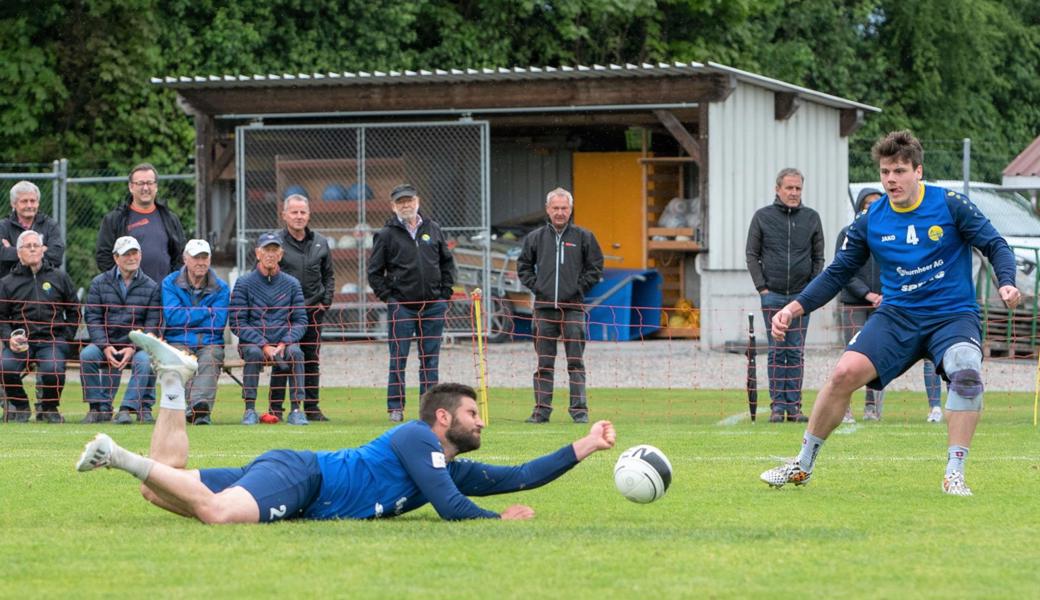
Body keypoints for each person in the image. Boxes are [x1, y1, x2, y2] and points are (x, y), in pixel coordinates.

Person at [76, 332, 617, 523]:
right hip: (301, 476)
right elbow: (453, 509)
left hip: (291, 477)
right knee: (217, 515)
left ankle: (173, 380)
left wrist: (588, 444)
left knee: (158, 486)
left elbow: (519, 475)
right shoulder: (415, 438)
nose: (482, 422)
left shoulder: (446, 464)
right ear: (444, 419)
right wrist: (500, 520)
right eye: (474, 414)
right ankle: (116, 454)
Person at [760, 130, 1020, 496]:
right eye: (885, 172)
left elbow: (995, 244)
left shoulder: (950, 205)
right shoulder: (871, 218)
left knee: (966, 369)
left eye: (899, 171)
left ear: (918, 171)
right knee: (842, 374)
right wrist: (794, 307)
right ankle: (802, 464)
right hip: (897, 316)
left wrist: (1005, 281)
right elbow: (838, 272)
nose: (891, 180)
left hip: (951, 315)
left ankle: (955, 472)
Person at [837, 188, 943, 424]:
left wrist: (888, 295)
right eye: (867, 204)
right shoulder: (849, 233)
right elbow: (842, 270)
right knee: (852, 357)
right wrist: (867, 294)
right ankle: (844, 408)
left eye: (877, 202)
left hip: (888, 304)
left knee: (875, 358)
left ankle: (872, 408)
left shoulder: (893, 231)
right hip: (855, 303)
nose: (871, 207)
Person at [368, 184, 456, 423]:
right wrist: (390, 298)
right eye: (400, 201)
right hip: (402, 307)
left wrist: (444, 295)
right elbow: (374, 272)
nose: (405, 204)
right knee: (398, 359)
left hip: (433, 306)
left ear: (417, 201)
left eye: (409, 200)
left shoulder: (433, 229)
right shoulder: (386, 234)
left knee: (430, 360)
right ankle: (395, 407)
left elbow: (447, 264)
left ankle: (429, 410)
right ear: (393, 205)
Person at [517, 187, 604, 424]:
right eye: (555, 208)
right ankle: (541, 411)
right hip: (544, 310)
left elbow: (595, 268)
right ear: (547, 209)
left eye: (564, 208)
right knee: (544, 363)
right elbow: (523, 266)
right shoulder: (535, 238)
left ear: (571, 209)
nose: (559, 212)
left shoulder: (584, 237)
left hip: (573, 309)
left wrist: (577, 289)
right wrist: (538, 287)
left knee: (575, 363)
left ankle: (579, 411)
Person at [745, 168, 825, 423]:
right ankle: (778, 406)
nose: (793, 193)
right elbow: (752, 254)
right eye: (789, 188)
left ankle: (795, 406)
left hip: (800, 299)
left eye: (798, 188)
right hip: (773, 296)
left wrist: (810, 292)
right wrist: (762, 288)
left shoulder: (812, 218)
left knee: (796, 351)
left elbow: (818, 258)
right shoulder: (762, 217)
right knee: (777, 351)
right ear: (777, 189)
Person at [80, 236, 162, 424]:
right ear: (116, 258)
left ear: (140, 255)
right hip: (105, 344)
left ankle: (126, 408)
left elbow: (152, 324)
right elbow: (93, 318)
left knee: (145, 360)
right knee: (87, 356)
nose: (132, 258)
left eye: (135, 253)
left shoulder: (151, 287)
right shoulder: (99, 283)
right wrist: (105, 346)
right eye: (126, 254)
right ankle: (98, 408)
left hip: (137, 347)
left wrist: (133, 347)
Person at [229, 232, 308, 425]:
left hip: (283, 343)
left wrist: (285, 342)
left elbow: (301, 320)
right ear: (257, 253)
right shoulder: (243, 283)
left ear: (281, 255)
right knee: (254, 353)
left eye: (274, 250)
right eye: (266, 250)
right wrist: (264, 345)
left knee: (296, 352)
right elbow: (237, 322)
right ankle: (249, 410)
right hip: (253, 343)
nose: (270, 254)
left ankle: (297, 410)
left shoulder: (292, 284)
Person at [0, 230, 78, 423]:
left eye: (37, 245)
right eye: (28, 246)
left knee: (53, 369)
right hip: (22, 342)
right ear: (19, 253)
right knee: (5, 366)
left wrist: (65, 338)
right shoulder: (7, 283)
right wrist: (9, 338)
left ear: (43, 250)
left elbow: (75, 311)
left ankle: (49, 407)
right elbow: (1, 317)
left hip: (52, 341)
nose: (33, 249)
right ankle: (20, 405)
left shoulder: (60, 278)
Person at [270, 194, 334, 422]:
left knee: (311, 359)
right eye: (294, 212)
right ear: (284, 214)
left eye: (303, 212)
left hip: (313, 311)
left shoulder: (320, 242)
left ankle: (312, 407)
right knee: (282, 357)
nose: (299, 216)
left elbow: (329, 276)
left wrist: (324, 303)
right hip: (283, 314)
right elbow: (262, 273)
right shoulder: (274, 243)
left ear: (309, 214)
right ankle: (275, 408)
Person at [162, 239, 230, 425]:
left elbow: (218, 323)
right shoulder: (170, 282)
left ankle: (199, 409)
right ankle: (195, 409)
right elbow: (173, 317)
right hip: (178, 340)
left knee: (210, 358)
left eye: (204, 257)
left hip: (210, 341)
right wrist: (206, 312)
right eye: (196, 257)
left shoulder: (222, 287)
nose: (201, 262)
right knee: (181, 360)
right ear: (185, 259)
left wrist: (189, 316)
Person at [96, 163, 186, 284]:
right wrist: (122, 284)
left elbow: (180, 255)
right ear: (131, 187)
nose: (145, 188)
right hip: (128, 296)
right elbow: (104, 257)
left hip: (163, 294)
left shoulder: (170, 218)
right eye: (140, 183)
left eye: (149, 183)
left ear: (156, 186)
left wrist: (171, 284)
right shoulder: (115, 219)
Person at [0, 181, 64, 277]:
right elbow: (2, 255)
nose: (29, 206)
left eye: (33, 201)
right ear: (13, 204)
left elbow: (56, 256)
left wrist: (13, 251)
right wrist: (40, 250)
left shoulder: (50, 225)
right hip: (11, 285)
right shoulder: (3, 227)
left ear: (38, 203)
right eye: (24, 201)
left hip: (44, 282)